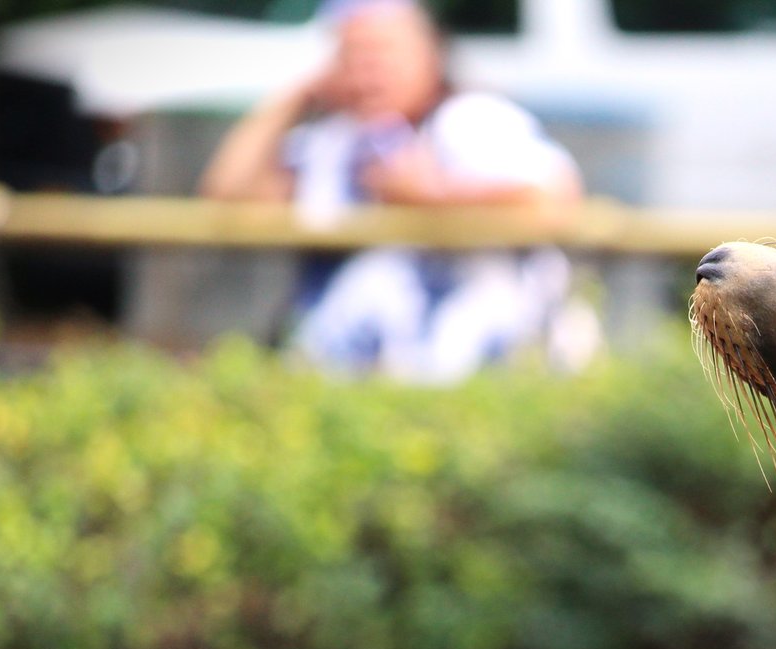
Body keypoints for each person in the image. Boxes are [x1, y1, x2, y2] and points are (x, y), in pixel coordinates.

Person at [200, 0, 583, 384]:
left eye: (382, 53)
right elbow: (225, 197)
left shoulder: (469, 120)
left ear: (431, 53)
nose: (369, 70)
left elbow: (555, 199)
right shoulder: (335, 145)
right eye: (353, 55)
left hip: (473, 384)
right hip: (342, 389)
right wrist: (296, 96)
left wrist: (433, 196)